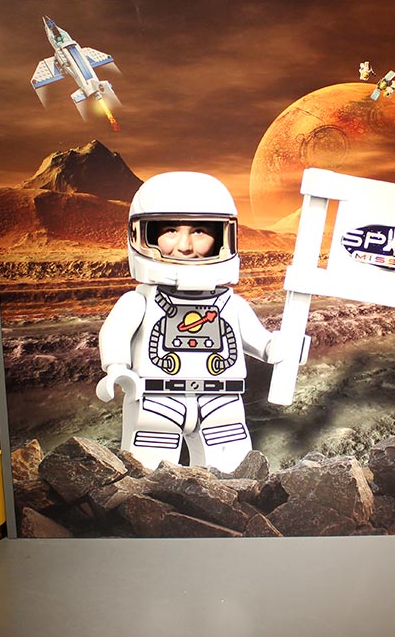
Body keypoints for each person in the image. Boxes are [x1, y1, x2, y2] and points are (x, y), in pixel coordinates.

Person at [96, 172, 287, 473]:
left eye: (199, 231)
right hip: (157, 401)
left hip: (221, 403)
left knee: (232, 472)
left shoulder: (231, 305)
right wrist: (117, 368)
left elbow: (261, 342)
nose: (184, 245)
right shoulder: (139, 302)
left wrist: (279, 348)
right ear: (143, 236)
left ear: (222, 237)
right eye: (170, 230)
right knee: (149, 475)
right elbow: (115, 333)